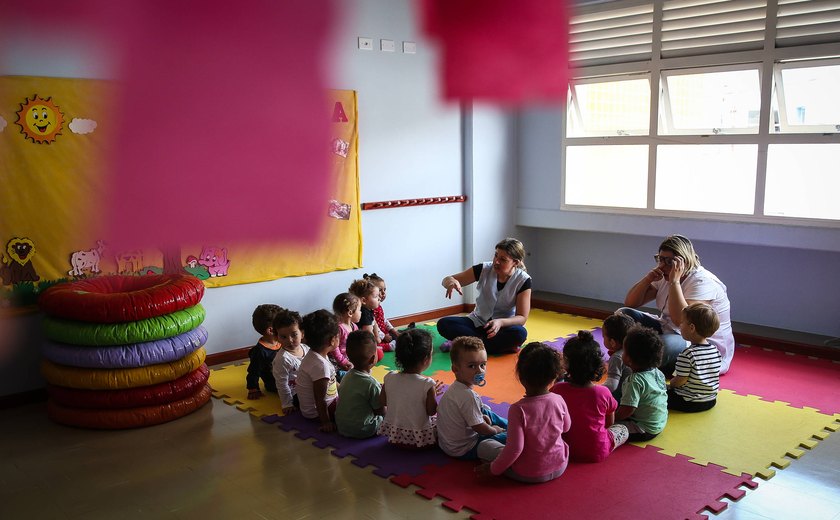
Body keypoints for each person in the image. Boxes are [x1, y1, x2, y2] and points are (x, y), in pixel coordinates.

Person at [620, 234, 735, 376]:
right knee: (623, 315)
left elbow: (681, 321)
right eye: (660, 259)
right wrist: (648, 279)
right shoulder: (664, 273)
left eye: (669, 261)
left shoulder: (702, 282)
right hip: (669, 328)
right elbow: (631, 303)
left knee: (665, 345)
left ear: (683, 262)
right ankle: (638, 359)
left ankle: (634, 361)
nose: (662, 265)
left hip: (699, 343)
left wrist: (675, 282)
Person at [479, 342, 570, 483]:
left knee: (484, 446)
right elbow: (566, 428)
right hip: (560, 465)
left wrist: (493, 469)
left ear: (521, 376)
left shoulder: (518, 409)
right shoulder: (559, 399)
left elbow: (515, 449)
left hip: (529, 473)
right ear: (554, 377)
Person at [437, 238, 532, 355]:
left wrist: (500, 322)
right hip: (477, 321)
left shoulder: (523, 280)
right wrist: (451, 282)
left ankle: (467, 344)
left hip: (502, 327)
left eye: (503, 259)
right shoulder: (483, 269)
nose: (496, 261)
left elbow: (522, 317)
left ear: (515, 263)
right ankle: (489, 345)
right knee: (444, 324)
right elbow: (447, 279)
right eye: (496, 256)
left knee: (519, 333)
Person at [552, 331, 629, 463]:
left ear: (566, 364)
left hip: (565, 447)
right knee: (623, 429)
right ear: (597, 365)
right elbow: (609, 423)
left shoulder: (557, 390)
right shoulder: (603, 392)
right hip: (598, 450)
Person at [437, 337, 508, 462]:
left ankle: (510, 425)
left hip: (447, 446)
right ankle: (517, 430)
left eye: (483, 365)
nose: (479, 370)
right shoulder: (467, 396)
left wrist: (482, 418)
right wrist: (494, 430)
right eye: (472, 366)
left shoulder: (455, 388)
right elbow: (479, 428)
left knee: (485, 411)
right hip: (465, 449)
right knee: (514, 437)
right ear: (456, 369)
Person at [378, 328, 441, 449]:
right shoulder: (427, 384)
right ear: (426, 359)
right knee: (444, 422)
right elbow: (431, 411)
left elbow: (382, 402)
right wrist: (433, 394)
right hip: (420, 441)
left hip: (395, 438)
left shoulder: (389, 377)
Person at [615, 325, 668, 442]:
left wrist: (613, 417)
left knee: (607, 428)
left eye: (624, 351)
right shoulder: (657, 372)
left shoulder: (634, 380)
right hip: (659, 423)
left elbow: (627, 410)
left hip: (643, 429)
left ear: (629, 359)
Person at [668, 303, 722, 413]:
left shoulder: (688, 354)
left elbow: (681, 380)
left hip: (688, 402)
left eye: (682, 322)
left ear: (692, 328)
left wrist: (670, 385)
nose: (680, 325)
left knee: (655, 395)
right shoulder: (715, 350)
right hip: (710, 400)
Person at [297, 310, 341, 432]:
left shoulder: (318, 354)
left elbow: (331, 382)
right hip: (318, 411)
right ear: (332, 340)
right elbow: (320, 399)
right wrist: (326, 422)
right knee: (360, 403)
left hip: (328, 401)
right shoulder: (320, 366)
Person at [335, 331, 385, 438]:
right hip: (363, 429)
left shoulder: (346, 376)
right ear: (373, 359)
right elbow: (381, 411)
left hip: (342, 426)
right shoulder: (371, 383)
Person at [271, 308, 310, 414]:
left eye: (294, 335)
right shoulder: (282, 359)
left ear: (302, 333)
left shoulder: (306, 348)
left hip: (310, 384)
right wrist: (287, 403)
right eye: (283, 337)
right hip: (297, 394)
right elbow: (282, 383)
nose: (289, 340)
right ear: (276, 337)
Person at [246, 304, 283, 400]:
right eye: (282, 326)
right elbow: (253, 372)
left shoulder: (281, 342)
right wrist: (253, 389)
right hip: (274, 383)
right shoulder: (260, 351)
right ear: (271, 330)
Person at [349, 279, 385, 362]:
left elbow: (374, 322)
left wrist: (377, 336)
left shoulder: (369, 309)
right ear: (364, 300)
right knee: (379, 355)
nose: (379, 298)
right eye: (375, 297)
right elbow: (368, 333)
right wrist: (374, 345)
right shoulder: (364, 313)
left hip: (364, 340)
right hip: (361, 343)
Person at [602, 313, 636, 401]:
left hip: (625, 398)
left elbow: (612, 385)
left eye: (603, 336)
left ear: (612, 342)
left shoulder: (617, 357)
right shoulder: (637, 349)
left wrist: (596, 389)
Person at [365, 273, 400, 352]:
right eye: (380, 290)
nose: (384, 293)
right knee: (373, 346)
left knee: (401, 336)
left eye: (385, 289)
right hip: (376, 336)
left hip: (384, 334)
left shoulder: (378, 306)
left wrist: (393, 331)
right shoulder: (370, 309)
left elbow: (384, 320)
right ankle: (388, 347)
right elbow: (374, 326)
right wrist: (384, 336)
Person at [331, 292, 360, 378]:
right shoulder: (339, 329)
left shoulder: (354, 326)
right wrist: (343, 362)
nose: (361, 312)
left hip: (351, 358)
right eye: (359, 310)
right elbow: (334, 349)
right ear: (350, 313)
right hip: (338, 361)